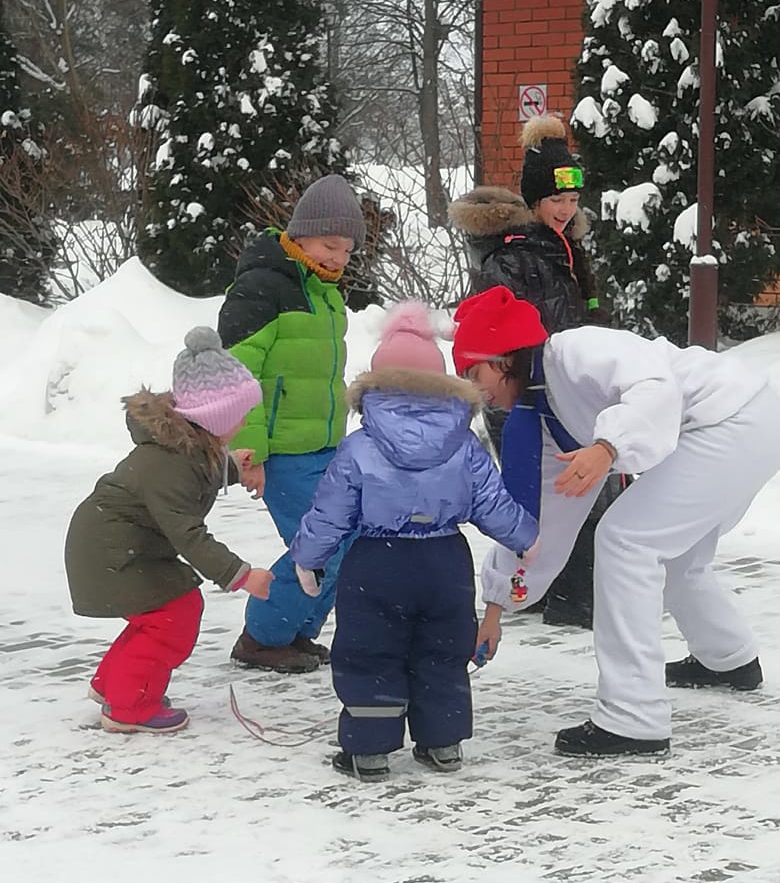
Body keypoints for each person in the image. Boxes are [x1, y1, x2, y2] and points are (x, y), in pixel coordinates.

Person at [451, 285, 780, 757]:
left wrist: (608, 447)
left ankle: (634, 716)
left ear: (505, 355)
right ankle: (727, 660)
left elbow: (654, 387)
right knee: (676, 554)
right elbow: (538, 522)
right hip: (743, 422)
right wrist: (498, 607)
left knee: (626, 541)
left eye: (473, 370)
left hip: (733, 419)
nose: (472, 388)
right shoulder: (541, 415)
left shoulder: (578, 349)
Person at [289, 302, 538, 781]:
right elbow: (492, 501)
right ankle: (442, 742)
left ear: (378, 385)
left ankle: (370, 749)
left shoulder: (359, 446)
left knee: (370, 650)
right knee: (442, 649)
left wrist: (309, 557)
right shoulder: (464, 444)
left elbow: (331, 512)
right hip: (444, 562)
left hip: (377, 564)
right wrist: (525, 536)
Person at [449, 115, 617, 629]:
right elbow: (491, 335)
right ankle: (562, 595)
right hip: (523, 395)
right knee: (553, 492)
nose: (566, 211)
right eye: (555, 201)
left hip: (567, 391)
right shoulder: (512, 259)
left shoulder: (567, 252)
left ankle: (554, 590)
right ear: (534, 202)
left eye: (571, 201)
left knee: (575, 488)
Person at [64, 328, 274, 734]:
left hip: (118, 545)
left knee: (162, 613)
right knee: (173, 616)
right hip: (110, 552)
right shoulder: (172, 462)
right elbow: (188, 533)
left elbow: (196, 470)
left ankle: (116, 685)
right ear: (215, 417)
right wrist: (242, 575)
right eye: (239, 413)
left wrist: (232, 466)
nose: (245, 421)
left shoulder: (184, 447)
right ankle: (129, 708)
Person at [217, 173, 366, 673]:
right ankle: (262, 635)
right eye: (329, 245)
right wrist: (249, 452)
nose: (338, 259)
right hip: (281, 451)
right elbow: (235, 373)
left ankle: (294, 632)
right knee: (324, 542)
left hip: (324, 446)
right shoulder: (263, 286)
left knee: (346, 538)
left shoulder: (326, 295)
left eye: (347, 250)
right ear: (300, 235)